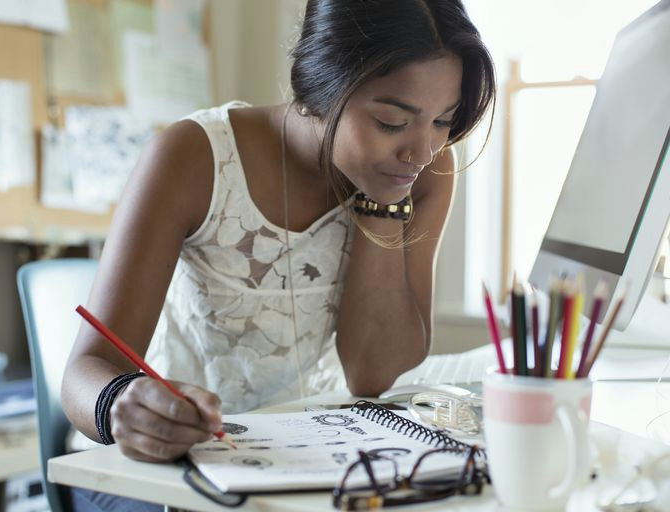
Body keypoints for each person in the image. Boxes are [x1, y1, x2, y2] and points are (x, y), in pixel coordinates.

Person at [61, 0, 495, 509]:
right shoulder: (193, 156)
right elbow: (85, 369)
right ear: (320, 87)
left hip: (295, 454)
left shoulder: (421, 173)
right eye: (392, 122)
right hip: (149, 467)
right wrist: (122, 404)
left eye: (443, 121)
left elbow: (373, 372)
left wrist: (382, 199)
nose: (422, 152)